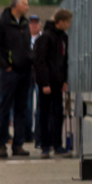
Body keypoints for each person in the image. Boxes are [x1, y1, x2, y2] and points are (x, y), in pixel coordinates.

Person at [0, 0, 33, 158]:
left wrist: (30, 61)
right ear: (17, 5)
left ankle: (18, 144)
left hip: (24, 72)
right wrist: (5, 65)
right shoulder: (1, 23)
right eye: (25, 4)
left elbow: (27, 47)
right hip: (9, 72)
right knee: (5, 107)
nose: (27, 7)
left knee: (21, 109)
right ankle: (1, 144)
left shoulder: (25, 24)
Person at [33, 9, 72, 159]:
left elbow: (65, 60)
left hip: (58, 83)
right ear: (60, 22)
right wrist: (44, 83)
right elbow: (40, 61)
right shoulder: (46, 37)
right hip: (47, 83)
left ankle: (57, 145)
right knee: (44, 114)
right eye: (67, 22)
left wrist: (64, 80)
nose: (69, 25)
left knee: (58, 114)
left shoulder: (63, 38)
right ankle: (45, 146)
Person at [24, 14, 42, 145]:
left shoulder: (43, 39)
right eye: (31, 23)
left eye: (36, 22)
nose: (33, 25)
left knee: (39, 104)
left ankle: (38, 132)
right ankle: (27, 133)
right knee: (27, 104)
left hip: (39, 74)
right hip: (27, 73)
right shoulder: (24, 39)